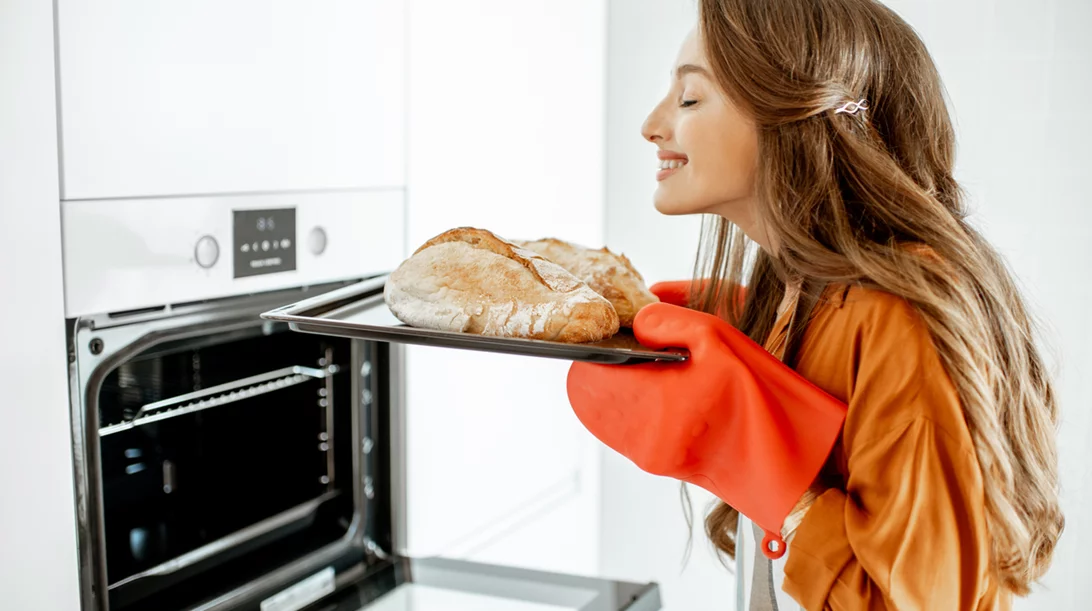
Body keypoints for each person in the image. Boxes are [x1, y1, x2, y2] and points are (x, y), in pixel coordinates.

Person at [565, 0, 1064, 609]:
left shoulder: (896, 317)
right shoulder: (794, 287)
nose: (651, 125)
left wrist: (757, 459)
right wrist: (755, 362)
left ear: (792, 115)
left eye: (690, 98)